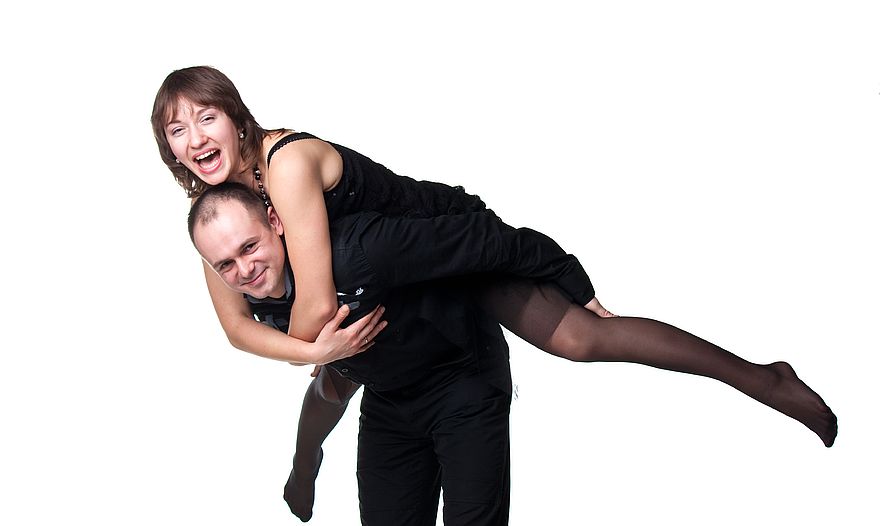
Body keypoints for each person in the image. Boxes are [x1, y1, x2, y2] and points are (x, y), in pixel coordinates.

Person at [151, 65, 838, 449]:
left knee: (580, 338)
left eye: (204, 117)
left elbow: (314, 309)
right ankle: (304, 463)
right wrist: (306, 353)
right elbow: (237, 326)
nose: (193, 137)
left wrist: (305, 345)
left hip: (449, 247)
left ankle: (762, 377)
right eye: (175, 130)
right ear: (169, 150)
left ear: (235, 115)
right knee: (343, 368)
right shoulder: (219, 212)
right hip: (396, 291)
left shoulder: (286, 164)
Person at [190, 183, 517, 526]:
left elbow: (479, 235)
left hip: (461, 374)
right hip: (389, 397)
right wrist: (315, 361)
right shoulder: (252, 289)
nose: (244, 269)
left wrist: (563, 272)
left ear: (277, 223)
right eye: (224, 264)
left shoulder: (357, 249)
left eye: (249, 248)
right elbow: (315, 382)